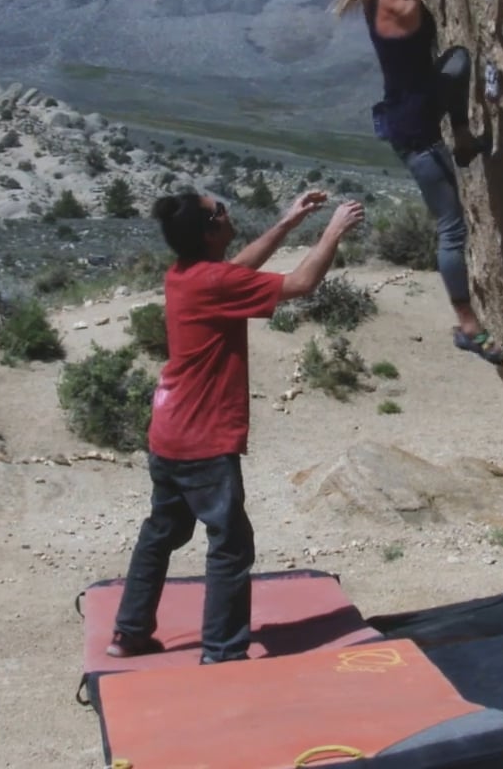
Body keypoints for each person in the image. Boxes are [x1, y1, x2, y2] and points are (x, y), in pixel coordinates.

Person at [106, 187, 366, 664]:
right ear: (210, 232)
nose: (228, 214)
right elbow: (302, 284)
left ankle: (128, 633)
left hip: (168, 432)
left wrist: (288, 223)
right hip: (203, 441)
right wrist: (334, 230)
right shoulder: (211, 282)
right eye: (220, 212)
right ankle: (222, 652)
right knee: (229, 545)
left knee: (161, 532)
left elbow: (235, 271)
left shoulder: (185, 274)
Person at [329, 0, 503, 366]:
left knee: (456, 61)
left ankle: (467, 141)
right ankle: (468, 327)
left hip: (419, 107)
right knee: (451, 226)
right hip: (415, 132)